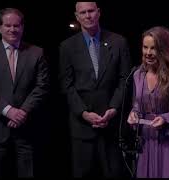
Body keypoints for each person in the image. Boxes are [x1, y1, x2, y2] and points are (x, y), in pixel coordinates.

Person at [58, 2, 131, 178]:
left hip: (112, 124)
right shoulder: (67, 46)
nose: (88, 16)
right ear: (77, 16)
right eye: (83, 12)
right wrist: (84, 113)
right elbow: (66, 85)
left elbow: (125, 80)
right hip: (81, 126)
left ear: (98, 13)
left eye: (91, 11)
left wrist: (113, 109)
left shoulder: (119, 42)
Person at [0, 8, 50, 177]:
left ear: (22, 27)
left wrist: (22, 112)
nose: (12, 29)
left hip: (27, 127)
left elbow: (42, 86)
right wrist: (9, 111)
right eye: (7, 25)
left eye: (16, 25)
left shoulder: (37, 52)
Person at [127, 26, 169, 178]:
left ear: (163, 49)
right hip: (146, 142)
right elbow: (138, 105)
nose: (148, 53)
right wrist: (134, 114)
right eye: (145, 47)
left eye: (154, 48)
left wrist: (166, 118)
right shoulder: (138, 74)